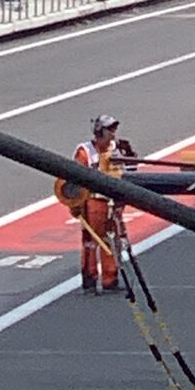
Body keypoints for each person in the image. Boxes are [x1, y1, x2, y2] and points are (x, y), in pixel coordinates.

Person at [73, 113, 135, 294]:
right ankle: (89, 278)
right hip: (93, 202)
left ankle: (110, 278)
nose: (113, 133)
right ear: (100, 131)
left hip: (114, 202)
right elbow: (74, 178)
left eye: (114, 129)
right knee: (91, 242)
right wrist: (75, 205)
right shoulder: (85, 152)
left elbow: (132, 171)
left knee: (112, 241)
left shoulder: (120, 148)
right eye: (110, 129)